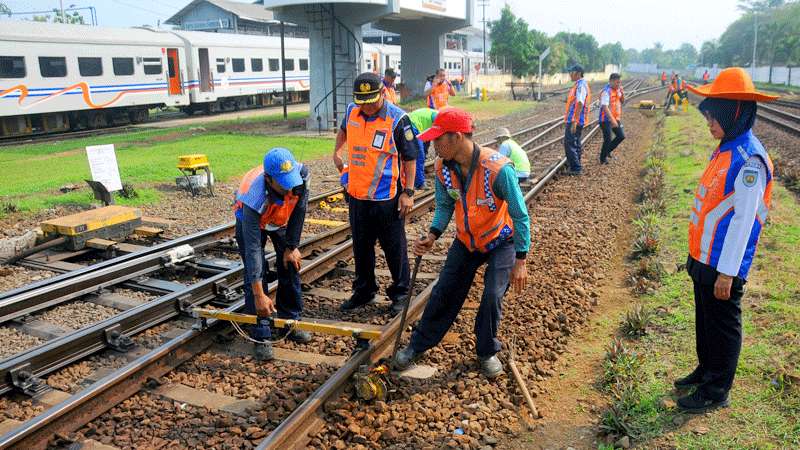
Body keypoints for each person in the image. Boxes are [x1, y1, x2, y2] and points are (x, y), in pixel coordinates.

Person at [393, 108, 530, 378]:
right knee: (445, 291)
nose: (432, 147)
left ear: (456, 137)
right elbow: (445, 205)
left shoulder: (498, 170)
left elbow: (520, 215)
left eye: (437, 140)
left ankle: (486, 351)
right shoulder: (444, 168)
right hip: (467, 240)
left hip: (501, 239)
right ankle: (418, 346)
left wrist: (521, 260)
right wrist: (432, 235)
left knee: (492, 295)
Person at [676, 67, 778, 413]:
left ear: (734, 112)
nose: (709, 125)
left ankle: (717, 389)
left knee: (722, 324)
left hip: (724, 264)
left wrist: (727, 273)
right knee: (705, 320)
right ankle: (706, 370)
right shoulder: (726, 147)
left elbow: (743, 222)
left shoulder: (748, 159)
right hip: (704, 257)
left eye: (713, 118)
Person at [333, 72, 418, 314]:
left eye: (371, 101)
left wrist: (408, 192)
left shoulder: (398, 119)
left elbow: (410, 158)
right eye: (363, 102)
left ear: (382, 93)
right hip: (357, 195)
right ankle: (364, 290)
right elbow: (344, 130)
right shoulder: (352, 110)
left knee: (394, 248)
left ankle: (401, 293)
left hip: (386, 197)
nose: (367, 107)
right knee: (361, 246)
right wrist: (337, 152)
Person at [234, 147, 311, 361]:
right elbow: (253, 253)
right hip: (253, 221)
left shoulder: (301, 177)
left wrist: (291, 246)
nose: (289, 191)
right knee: (255, 274)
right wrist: (260, 295)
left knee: (290, 263)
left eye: (291, 184)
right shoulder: (253, 198)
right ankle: (262, 334)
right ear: (269, 180)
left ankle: (290, 322)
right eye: (283, 185)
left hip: (280, 220)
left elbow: (300, 210)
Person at [563, 64, 591, 176]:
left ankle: (575, 168)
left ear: (578, 73)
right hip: (578, 119)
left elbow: (580, 102)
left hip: (575, 120)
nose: (570, 74)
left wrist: (574, 120)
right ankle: (576, 164)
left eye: (572, 72)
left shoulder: (580, 86)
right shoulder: (580, 84)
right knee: (576, 142)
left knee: (569, 143)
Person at [598, 73, 626, 164]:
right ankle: (602, 159)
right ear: (611, 81)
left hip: (615, 118)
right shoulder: (606, 92)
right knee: (608, 139)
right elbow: (605, 107)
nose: (619, 84)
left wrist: (622, 92)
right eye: (617, 82)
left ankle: (607, 151)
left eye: (620, 82)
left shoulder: (617, 90)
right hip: (605, 119)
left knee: (621, 136)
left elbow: (622, 101)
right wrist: (612, 120)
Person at [408, 108, 439, 189]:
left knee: (424, 150)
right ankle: (419, 183)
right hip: (413, 126)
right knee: (419, 155)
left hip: (417, 126)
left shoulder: (435, 114)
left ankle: (419, 173)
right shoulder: (438, 116)